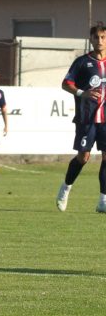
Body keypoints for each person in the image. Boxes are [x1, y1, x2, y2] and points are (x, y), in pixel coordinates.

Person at [56, 23, 106, 213]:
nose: (99, 41)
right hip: (87, 119)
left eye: (103, 37)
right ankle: (66, 188)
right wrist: (81, 93)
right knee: (83, 157)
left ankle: (103, 201)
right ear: (91, 39)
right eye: (96, 37)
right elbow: (65, 83)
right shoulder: (82, 62)